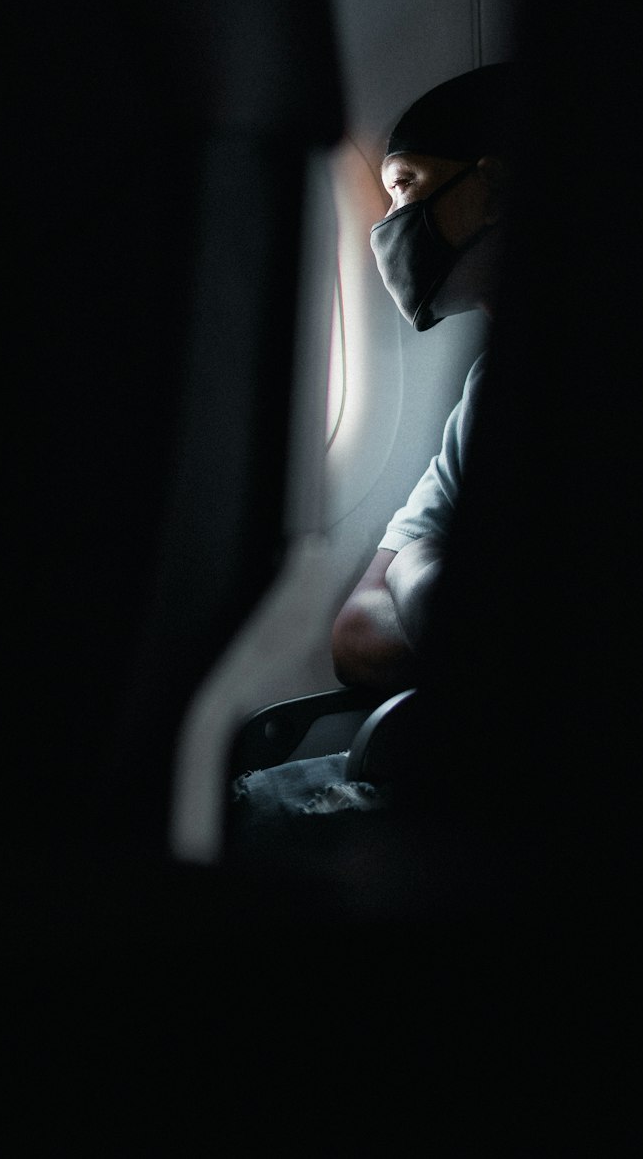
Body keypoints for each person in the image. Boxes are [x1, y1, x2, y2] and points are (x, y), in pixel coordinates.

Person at [226, 62, 519, 860]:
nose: (391, 222)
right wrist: (438, 574)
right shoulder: (486, 388)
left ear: (491, 187)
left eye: (406, 187)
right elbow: (357, 633)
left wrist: (422, 580)